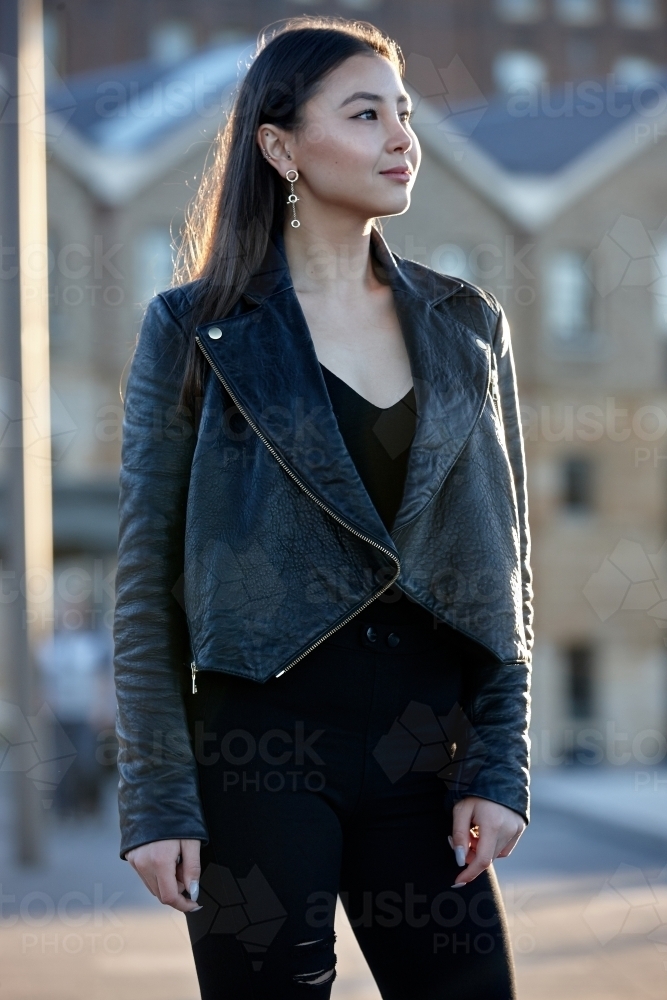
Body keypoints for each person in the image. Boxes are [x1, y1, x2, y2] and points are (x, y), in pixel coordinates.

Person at [113, 17, 534, 1000]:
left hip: (427, 758)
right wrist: (159, 797)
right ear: (279, 144)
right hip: (257, 754)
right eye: (364, 113)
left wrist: (500, 763)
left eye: (405, 114)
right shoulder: (191, 328)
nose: (402, 138)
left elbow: (503, 566)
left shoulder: (467, 325)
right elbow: (144, 586)